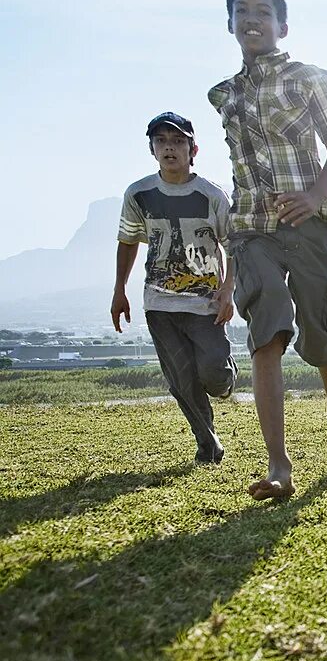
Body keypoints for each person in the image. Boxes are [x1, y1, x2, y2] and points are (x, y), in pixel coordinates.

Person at [210, 0, 327, 499]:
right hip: (251, 228)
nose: (252, 19)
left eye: (263, 11)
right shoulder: (224, 96)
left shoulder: (307, 79)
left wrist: (315, 196)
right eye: (242, 11)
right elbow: (238, 173)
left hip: (309, 224)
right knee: (268, 325)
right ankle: (280, 465)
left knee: (319, 339)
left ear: (283, 25)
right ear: (231, 23)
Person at [113, 112, 237, 465]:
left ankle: (226, 379)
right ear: (152, 149)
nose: (170, 147)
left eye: (178, 140)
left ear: (192, 149)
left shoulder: (212, 195)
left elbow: (234, 245)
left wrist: (228, 290)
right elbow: (127, 241)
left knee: (212, 374)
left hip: (205, 304)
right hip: (159, 304)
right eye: (162, 141)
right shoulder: (139, 194)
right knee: (181, 380)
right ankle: (208, 445)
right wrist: (119, 289)